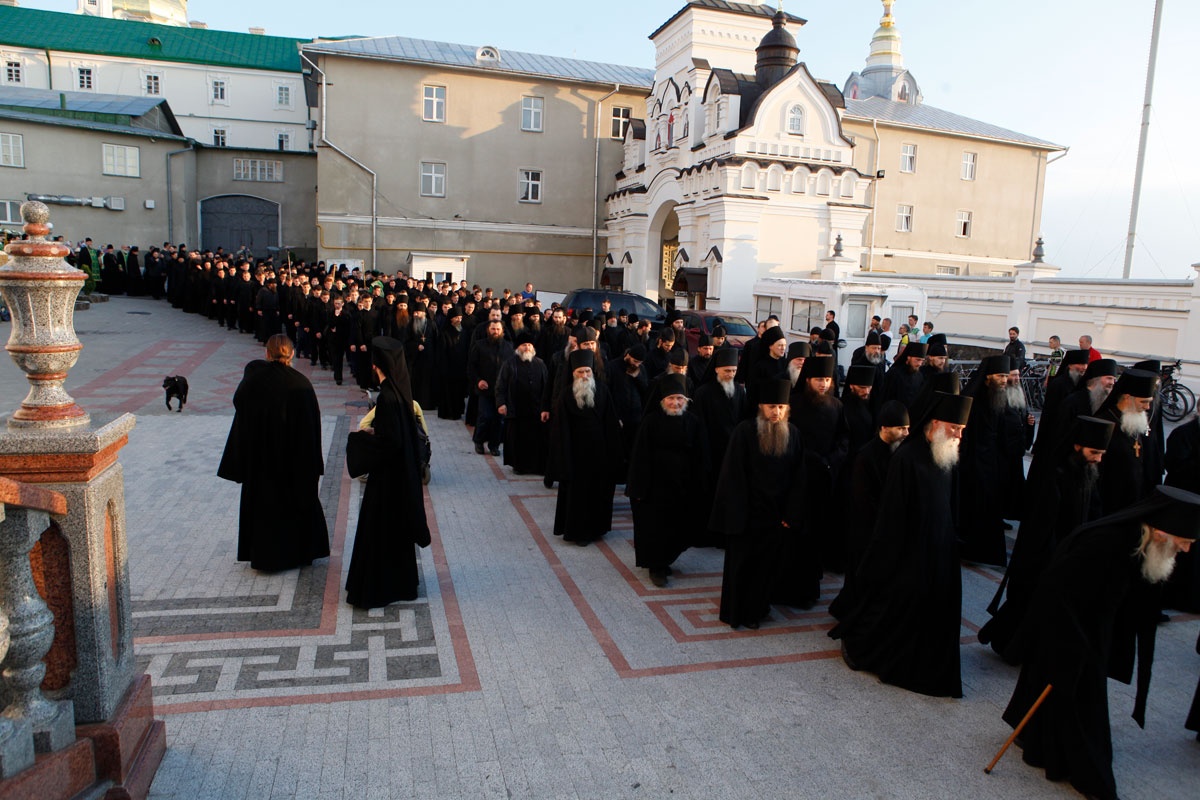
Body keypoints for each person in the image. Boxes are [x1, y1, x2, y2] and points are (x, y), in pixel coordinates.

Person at [1002, 485, 1200, 800]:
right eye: (1185, 542)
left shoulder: (1141, 539)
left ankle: (1045, 742)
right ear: (1162, 532)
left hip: (1092, 626)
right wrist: (1074, 641)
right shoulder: (1106, 541)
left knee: (1072, 694)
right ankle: (1082, 769)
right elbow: (1058, 588)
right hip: (1070, 628)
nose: (1187, 550)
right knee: (1077, 695)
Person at [830, 391, 973, 698]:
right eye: (954, 428)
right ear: (934, 423)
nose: (959, 434)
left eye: (962, 429)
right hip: (910, 552)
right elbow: (892, 513)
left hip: (940, 550)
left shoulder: (945, 453)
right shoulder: (907, 458)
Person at [978, 415, 1114, 660]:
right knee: (1028, 605)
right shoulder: (1055, 477)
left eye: (1102, 454)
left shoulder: (1088, 473)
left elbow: (1094, 512)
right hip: (1045, 557)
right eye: (1094, 452)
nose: (1098, 459)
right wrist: (1054, 559)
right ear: (1077, 446)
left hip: (1070, 554)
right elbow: (1041, 525)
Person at [218, 334, 329, 572]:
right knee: (294, 507)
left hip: (261, 461)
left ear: (267, 353)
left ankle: (267, 558)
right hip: (294, 461)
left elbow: (240, 407)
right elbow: (312, 428)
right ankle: (299, 553)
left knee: (265, 510)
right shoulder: (302, 384)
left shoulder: (254, 382)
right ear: (291, 354)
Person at [709, 379, 806, 629]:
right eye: (772, 407)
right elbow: (733, 476)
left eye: (781, 408)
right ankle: (736, 613)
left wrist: (790, 514)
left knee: (765, 568)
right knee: (741, 566)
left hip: (775, 516)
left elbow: (798, 477)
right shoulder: (744, 431)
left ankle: (757, 610)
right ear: (761, 407)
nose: (776, 413)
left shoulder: (793, 434)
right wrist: (736, 514)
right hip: (746, 514)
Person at [345, 338, 431, 608]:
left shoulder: (387, 397)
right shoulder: (401, 393)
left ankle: (376, 589)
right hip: (400, 477)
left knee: (379, 532)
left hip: (386, 481)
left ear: (377, 366)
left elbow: (390, 442)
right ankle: (401, 584)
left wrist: (361, 439)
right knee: (396, 533)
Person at [625, 374, 712, 587]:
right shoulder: (651, 422)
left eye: (680, 399)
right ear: (663, 400)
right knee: (656, 528)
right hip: (655, 488)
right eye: (671, 398)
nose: (675, 403)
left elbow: (702, 456)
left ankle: (666, 559)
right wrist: (637, 489)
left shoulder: (693, 422)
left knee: (678, 528)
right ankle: (656, 566)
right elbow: (640, 457)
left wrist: (702, 484)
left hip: (683, 486)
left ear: (686, 401)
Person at [829, 400, 909, 620]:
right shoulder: (866, 456)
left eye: (907, 428)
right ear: (884, 428)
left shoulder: (899, 453)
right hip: (866, 527)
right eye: (901, 428)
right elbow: (863, 498)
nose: (905, 433)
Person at [546, 350, 624, 546]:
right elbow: (560, 430)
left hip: (600, 454)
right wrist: (563, 459)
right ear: (574, 373)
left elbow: (611, 423)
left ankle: (597, 529)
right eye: (580, 372)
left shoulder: (603, 391)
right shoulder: (565, 395)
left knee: (598, 493)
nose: (584, 376)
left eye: (587, 371)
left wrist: (613, 455)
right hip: (575, 455)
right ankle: (578, 532)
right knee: (577, 496)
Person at [1095, 368, 1158, 515]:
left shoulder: (1134, 421)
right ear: (1127, 397)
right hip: (1110, 498)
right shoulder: (1104, 422)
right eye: (1143, 402)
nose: (1147, 407)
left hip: (1134, 497)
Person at [495, 332, 550, 475]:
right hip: (517, 409)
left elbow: (547, 386)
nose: (527, 347)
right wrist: (501, 403)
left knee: (537, 440)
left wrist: (546, 407)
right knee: (518, 440)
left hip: (536, 409)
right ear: (518, 347)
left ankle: (537, 466)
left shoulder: (540, 363)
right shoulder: (509, 364)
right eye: (524, 345)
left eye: (530, 345)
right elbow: (500, 385)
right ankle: (519, 466)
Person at [467, 319, 513, 456]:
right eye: (493, 329)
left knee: (499, 419)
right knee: (485, 416)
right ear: (488, 330)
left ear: (502, 331)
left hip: (502, 391)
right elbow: (471, 367)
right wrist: (478, 380)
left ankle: (494, 445)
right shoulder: (479, 345)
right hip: (485, 389)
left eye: (498, 329)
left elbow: (511, 368)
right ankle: (479, 441)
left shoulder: (508, 347)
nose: (495, 332)